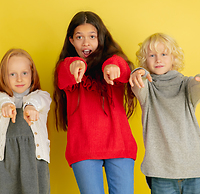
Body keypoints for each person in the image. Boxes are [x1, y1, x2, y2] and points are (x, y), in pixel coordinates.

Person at [53, 11, 137, 194]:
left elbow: (124, 69)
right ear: (71, 41)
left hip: (119, 145)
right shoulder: (65, 67)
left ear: (101, 38)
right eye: (79, 37)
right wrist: (75, 64)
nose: (86, 42)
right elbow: (65, 71)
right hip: (84, 148)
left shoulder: (114, 64)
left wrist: (112, 65)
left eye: (92, 36)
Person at [129, 33, 200, 194]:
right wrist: (139, 72)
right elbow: (138, 83)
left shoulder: (185, 84)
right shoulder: (147, 89)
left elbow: (197, 86)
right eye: (152, 55)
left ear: (174, 58)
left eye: (164, 54)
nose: (158, 59)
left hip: (194, 170)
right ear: (145, 60)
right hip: (161, 172)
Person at [0, 48, 51, 194]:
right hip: (6, 160)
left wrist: (30, 107)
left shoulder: (40, 97)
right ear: (4, 76)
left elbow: (40, 100)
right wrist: (6, 105)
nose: (19, 79)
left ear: (32, 74)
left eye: (24, 73)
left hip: (34, 160)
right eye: (12, 74)